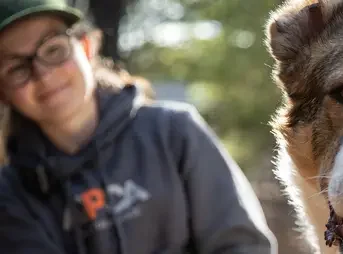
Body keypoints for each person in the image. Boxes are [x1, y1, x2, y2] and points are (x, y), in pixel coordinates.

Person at [0, 0, 278, 253]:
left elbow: (243, 245)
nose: (43, 74)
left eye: (54, 50)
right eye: (17, 67)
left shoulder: (175, 132)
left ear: (86, 47)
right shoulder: (11, 194)